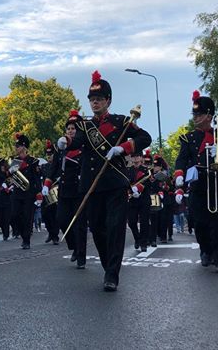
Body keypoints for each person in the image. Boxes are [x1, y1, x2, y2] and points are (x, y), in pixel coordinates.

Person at [58, 71, 151, 292]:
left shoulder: (121, 122)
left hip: (115, 184)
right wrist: (65, 141)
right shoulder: (85, 126)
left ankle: (112, 274)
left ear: (108, 100)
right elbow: (77, 141)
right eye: (91, 100)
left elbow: (144, 138)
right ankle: (107, 263)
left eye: (98, 99)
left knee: (115, 228)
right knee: (98, 229)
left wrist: (123, 147)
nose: (94, 103)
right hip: (92, 185)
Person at [174, 90, 218, 273]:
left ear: (209, 116)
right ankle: (205, 250)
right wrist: (179, 174)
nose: (196, 117)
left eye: (199, 114)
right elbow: (181, 159)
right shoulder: (188, 138)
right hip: (199, 185)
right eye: (194, 114)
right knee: (200, 223)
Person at [54, 110, 88, 268]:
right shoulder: (62, 147)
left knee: (79, 224)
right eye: (68, 129)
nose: (70, 131)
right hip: (64, 189)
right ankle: (74, 246)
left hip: (79, 190)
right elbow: (53, 168)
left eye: (74, 128)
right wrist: (47, 185)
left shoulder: (85, 146)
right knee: (62, 219)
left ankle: (81, 256)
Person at [9, 133, 43, 250]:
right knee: (14, 215)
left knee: (27, 217)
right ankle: (21, 233)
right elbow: (11, 176)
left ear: (24, 147)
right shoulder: (14, 161)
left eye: (17, 146)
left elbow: (37, 178)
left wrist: (39, 193)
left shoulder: (33, 161)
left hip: (29, 193)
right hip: (17, 193)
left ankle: (26, 240)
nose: (16, 148)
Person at [127, 151, 150, 252]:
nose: (135, 158)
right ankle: (137, 238)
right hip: (131, 199)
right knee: (132, 222)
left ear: (141, 158)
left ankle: (143, 243)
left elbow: (149, 182)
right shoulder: (128, 170)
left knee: (144, 222)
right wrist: (130, 191)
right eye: (133, 156)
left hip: (144, 199)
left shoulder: (147, 170)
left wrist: (139, 189)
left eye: (137, 156)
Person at [40, 140, 60, 245]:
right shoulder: (43, 166)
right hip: (46, 192)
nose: (49, 156)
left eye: (51, 154)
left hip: (56, 191)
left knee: (55, 214)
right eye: (47, 154)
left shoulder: (58, 165)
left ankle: (55, 235)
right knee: (45, 214)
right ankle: (50, 233)